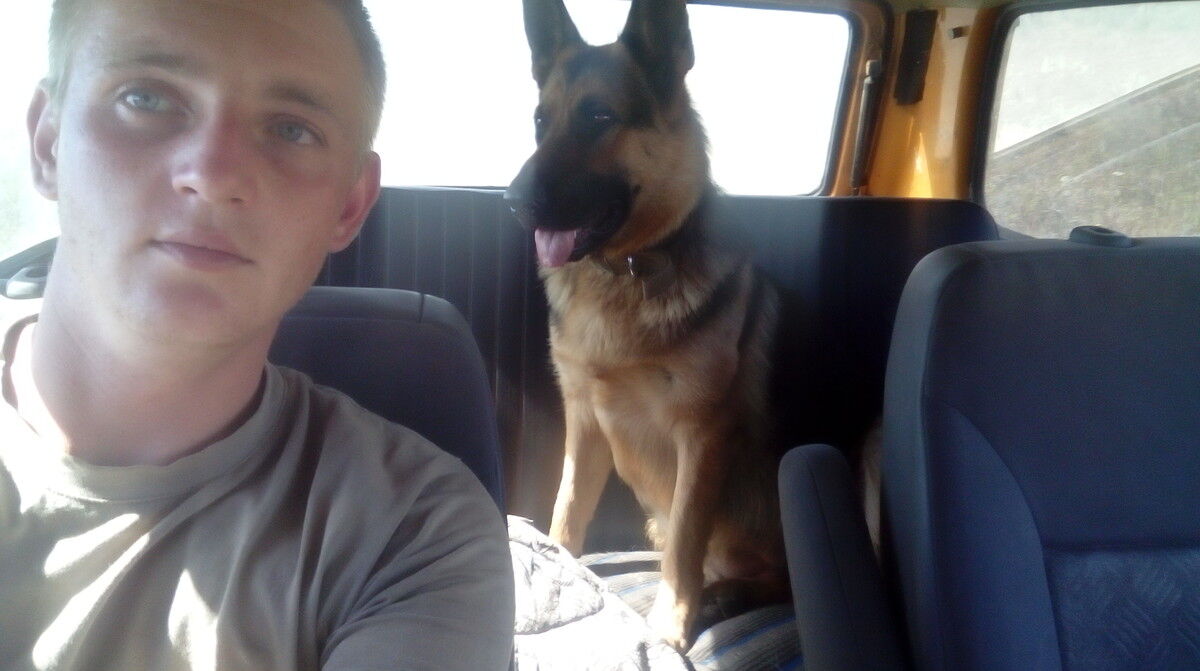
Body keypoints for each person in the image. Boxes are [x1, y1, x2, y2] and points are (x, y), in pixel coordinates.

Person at [0, 0, 514, 669]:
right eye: (145, 97)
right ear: (47, 144)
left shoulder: (414, 533)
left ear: (350, 205)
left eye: (291, 130)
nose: (213, 175)